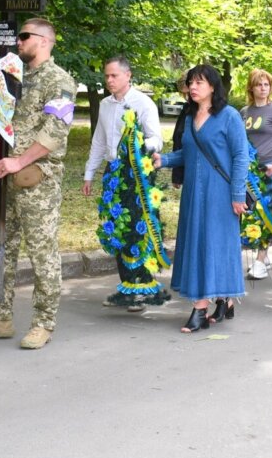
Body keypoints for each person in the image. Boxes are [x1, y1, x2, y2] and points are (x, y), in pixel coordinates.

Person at [0, 18, 77, 350]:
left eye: (24, 36)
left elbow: (56, 131)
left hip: (36, 179)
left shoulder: (59, 80)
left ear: (44, 41)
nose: (19, 41)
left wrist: (20, 161)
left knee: (42, 252)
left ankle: (43, 322)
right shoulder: (15, 78)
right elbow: (4, 121)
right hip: (6, 178)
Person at [154, 65, 248, 332]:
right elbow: (188, 153)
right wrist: (164, 160)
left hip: (220, 193)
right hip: (194, 192)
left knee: (214, 245)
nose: (192, 87)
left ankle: (200, 308)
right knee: (197, 243)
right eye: (190, 82)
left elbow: (241, 156)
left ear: (213, 86)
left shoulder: (229, 116)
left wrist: (237, 195)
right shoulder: (190, 116)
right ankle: (225, 300)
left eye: (199, 82)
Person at [81, 56, 169, 311]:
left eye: (114, 75)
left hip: (137, 174)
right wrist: (89, 174)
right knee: (117, 228)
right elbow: (99, 141)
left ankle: (142, 287)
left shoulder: (143, 103)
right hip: (113, 173)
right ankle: (127, 286)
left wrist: (137, 143)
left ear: (128, 75)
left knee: (137, 229)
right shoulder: (106, 105)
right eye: (106, 76)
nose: (109, 80)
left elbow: (157, 140)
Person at [240, 69, 272, 280]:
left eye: (266, 85)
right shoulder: (244, 112)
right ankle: (262, 256)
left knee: (267, 212)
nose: (263, 88)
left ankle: (261, 260)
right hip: (248, 172)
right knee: (251, 214)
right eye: (259, 84)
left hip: (270, 169)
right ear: (251, 88)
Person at [170, 73, 189, 187]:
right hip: (186, 172)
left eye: (188, 93)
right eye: (184, 94)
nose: (187, 97)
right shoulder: (186, 109)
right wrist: (177, 176)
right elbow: (178, 141)